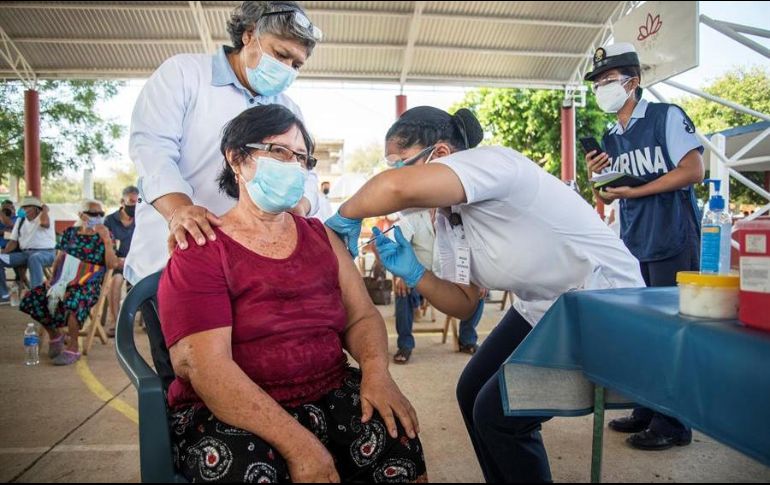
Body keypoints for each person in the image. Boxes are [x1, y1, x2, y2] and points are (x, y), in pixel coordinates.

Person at [325, 106, 645, 482]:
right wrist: (415, 274)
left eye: (399, 162)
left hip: (602, 300)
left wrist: (345, 215)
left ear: (441, 155)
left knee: (498, 413)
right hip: (544, 305)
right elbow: (464, 304)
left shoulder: (493, 163)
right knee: (471, 390)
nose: (394, 173)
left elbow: (393, 188)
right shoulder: (447, 218)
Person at [157, 105, 426, 483]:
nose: (293, 165)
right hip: (236, 409)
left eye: (301, 157)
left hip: (329, 389)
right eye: (279, 151)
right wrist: (300, 446)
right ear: (236, 158)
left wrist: (377, 374)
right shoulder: (202, 248)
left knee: (399, 440)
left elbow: (363, 317)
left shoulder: (321, 236)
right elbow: (205, 367)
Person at [126, 0, 324, 286]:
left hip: (250, 271)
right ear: (249, 33)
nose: (287, 70)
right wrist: (180, 210)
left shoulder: (288, 109)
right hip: (171, 258)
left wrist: (301, 206)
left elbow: (307, 172)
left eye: (296, 65)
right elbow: (152, 151)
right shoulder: (185, 74)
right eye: (280, 55)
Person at [585, 43, 704, 451]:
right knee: (644, 330)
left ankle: (674, 423)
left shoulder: (665, 116)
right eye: (598, 82)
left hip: (672, 235)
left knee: (671, 332)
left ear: (633, 82)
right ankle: (647, 407)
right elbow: (608, 198)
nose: (602, 87)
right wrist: (596, 178)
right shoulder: (610, 136)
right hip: (634, 240)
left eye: (608, 80)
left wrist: (639, 192)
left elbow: (694, 170)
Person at [20, 200, 118, 365]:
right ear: (81, 215)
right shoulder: (71, 232)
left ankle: (73, 348)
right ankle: (55, 335)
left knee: (74, 300)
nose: (99, 217)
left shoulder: (106, 236)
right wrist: (52, 279)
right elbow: (60, 257)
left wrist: (107, 240)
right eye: (93, 213)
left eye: (101, 214)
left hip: (88, 284)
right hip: (63, 280)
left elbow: (112, 265)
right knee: (33, 297)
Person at [391, 207, 485, 364]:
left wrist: (479, 280)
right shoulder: (413, 217)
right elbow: (400, 248)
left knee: (479, 292)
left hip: (450, 279)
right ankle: (405, 345)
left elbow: (473, 251)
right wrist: (401, 275)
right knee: (403, 290)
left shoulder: (460, 216)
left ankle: (467, 339)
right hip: (420, 278)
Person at [0, 197, 57, 304]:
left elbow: (45, 223)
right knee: (0, 258)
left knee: (34, 258)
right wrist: (4, 252)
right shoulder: (20, 220)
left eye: (27, 207)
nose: (24, 209)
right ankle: (3, 295)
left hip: (46, 253)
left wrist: (45, 210)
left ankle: (37, 296)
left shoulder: (45, 216)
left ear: (36, 208)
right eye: (23, 207)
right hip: (25, 254)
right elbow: (13, 241)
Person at [103, 186, 138, 337]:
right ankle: (115, 321)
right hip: (116, 263)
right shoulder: (110, 220)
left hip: (136, 262)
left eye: (137, 202)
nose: (134, 206)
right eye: (131, 201)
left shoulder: (141, 219)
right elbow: (106, 245)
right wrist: (117, 260)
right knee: (116, 280)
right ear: (122, 201)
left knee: (147, 281)